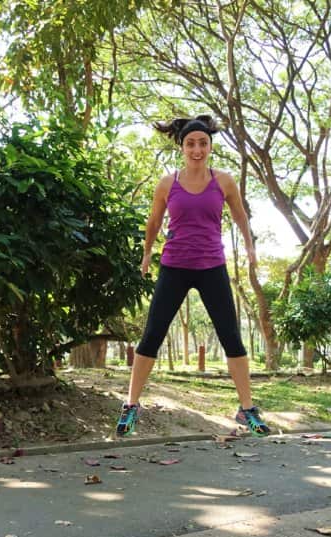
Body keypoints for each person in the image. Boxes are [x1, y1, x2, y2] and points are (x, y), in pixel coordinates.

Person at [116, 115, 270, 438]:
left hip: (212, 266)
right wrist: (146, 253)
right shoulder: (167, 183)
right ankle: (131, 406)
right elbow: (154, 222)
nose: (197, 149)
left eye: (202, 143)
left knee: (232, 338)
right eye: (191, 144)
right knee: (152, 335)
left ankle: (247, 409)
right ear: (182, 147)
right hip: (174, 265)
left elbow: (241, 216)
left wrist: (250, 247)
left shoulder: (224, 181)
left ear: (210, 146)